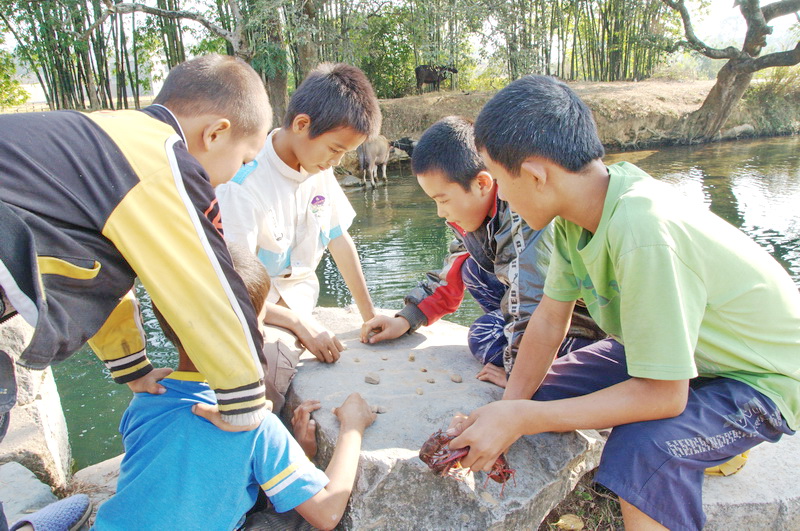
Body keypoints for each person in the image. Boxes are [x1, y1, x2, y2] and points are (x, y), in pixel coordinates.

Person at [445, 75, 800, 530]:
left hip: (757, 377)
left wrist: (523, 417)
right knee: (542, 394)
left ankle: (706, 445)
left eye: (500, 180)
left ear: (535, 175)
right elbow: (550, 321)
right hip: (686, 353)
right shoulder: (581, 211)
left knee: (643, 447)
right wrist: (511, 406)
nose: (503, 196)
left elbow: (664, 394)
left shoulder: (642, 229)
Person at [0, 52, 275, 451]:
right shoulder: (162, 159)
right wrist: (246, 403)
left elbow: (101, 274)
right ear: (215, 134)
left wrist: (133, 367)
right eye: (246, 159)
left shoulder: (110, 141)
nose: (240, 174)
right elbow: (207, 283)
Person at [93, 243, 376, 531]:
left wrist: (298, 453)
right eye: (263, 321)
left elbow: (187, 482)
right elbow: (327, 513)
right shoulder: (252, 422)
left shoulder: (145, 398)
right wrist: (352, 427)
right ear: (254, 332)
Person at [360, 116, 603, 387]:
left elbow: (531, 299)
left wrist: (517, 378)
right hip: (530, 301)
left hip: (577, 318)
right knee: (471, 268)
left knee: (482, 337)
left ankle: (567, 358)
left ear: (483, 183)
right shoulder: (473, 215)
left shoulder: (523, 211)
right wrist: (407, 318)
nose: (440, 213)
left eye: (443, 200)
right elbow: (451, 268)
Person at [216, 62, 381, 411]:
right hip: (259, 310)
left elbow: (339, 240)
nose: (337, 162)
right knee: (268, 373)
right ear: (302, 124)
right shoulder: (243, 184)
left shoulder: (317, 167)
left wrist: (369, 316)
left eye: (345, 154)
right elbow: (236, 286)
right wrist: (297, 322)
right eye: (335, 149)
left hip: (300, 299)